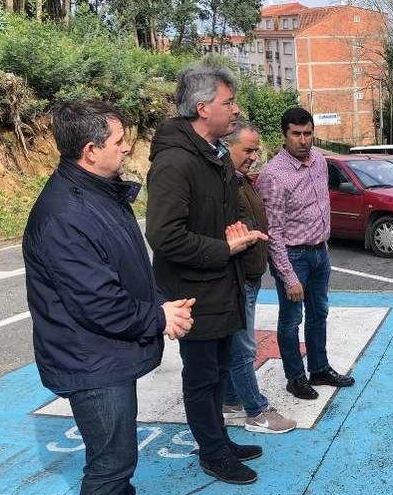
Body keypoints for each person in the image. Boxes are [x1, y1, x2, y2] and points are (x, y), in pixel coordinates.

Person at [23, 101, 194, 494]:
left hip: (103, 355)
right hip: (91, 362)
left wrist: (161, 305)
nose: (126, 148)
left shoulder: (98, 194)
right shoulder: (65, 215)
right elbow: (98, 302)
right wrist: (159, 317)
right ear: (90, 150)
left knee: (117, 462)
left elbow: (125, 267)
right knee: (110, 467)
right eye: (118, 141)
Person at [146, 64, 266, 485]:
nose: (235, 111)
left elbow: (207, 219)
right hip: (193, 294)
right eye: (227, 103)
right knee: (201, 377)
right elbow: (163, 236)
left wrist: (232, 233)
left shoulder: (212, 155)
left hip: (220, 285)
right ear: (202, 108)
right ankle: (213, 453)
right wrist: (224, 246)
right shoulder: (176, 162)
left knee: (218, 373)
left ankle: (219, 440)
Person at [256, 107, 355, 401]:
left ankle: (319, 369)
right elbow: (273, 232)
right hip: (293, 256)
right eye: (296, 134)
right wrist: (287, 276)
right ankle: (295, 378)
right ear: (284, 135)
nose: (303, 140)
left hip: (319, 252)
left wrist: (323, 247)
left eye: (308, 133)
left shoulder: (320, 163)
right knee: (290, 320)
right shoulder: (273, 175)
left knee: (319, 314)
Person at [220, 120, 297, 434]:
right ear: (227, 146)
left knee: (235, 343)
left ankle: (230, 398)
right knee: (243, 347)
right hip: (237, 275)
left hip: (248, 273)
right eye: (248, 149)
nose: (253, 156)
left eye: (255, 149)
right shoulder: (223, 182)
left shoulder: (238, 179)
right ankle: (256, 410)